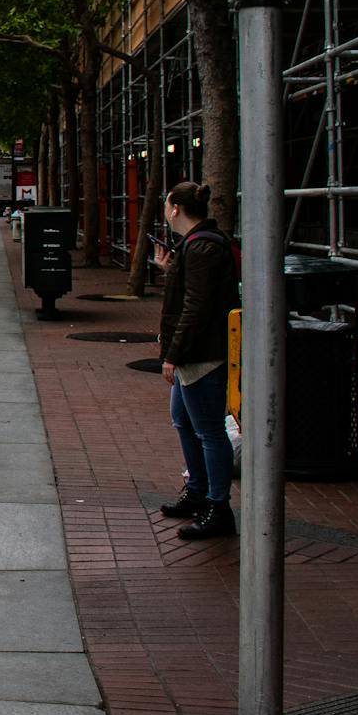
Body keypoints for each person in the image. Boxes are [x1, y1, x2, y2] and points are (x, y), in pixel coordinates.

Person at [152, 181, 242, 540]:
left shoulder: (202, 246)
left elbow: (196, 307)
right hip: (196, 351)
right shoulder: (195, 244)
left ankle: (218, 506)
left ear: (175, 208)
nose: (164, 210)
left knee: (208, 430)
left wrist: (173, 355)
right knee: (184, 420)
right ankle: (201, 491)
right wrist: (168, 270)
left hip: (201, 355)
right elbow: (193, 295)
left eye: (166, 204)